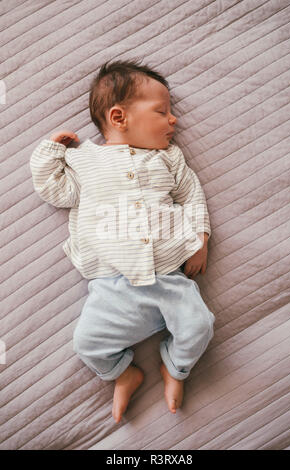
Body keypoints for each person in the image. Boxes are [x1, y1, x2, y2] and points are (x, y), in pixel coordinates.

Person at [30, 59, 215, 424]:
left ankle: (175, 368)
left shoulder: (170, 158)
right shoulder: (84, 161)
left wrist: (201, 239)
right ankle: (124, 374)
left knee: (201, 326)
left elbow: (192, 195)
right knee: (87, 344)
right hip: (112, 288)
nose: (173, 120)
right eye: (162, 111)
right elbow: (53, 190)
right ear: (119, 118)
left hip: (170, 280)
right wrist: (49, 152)